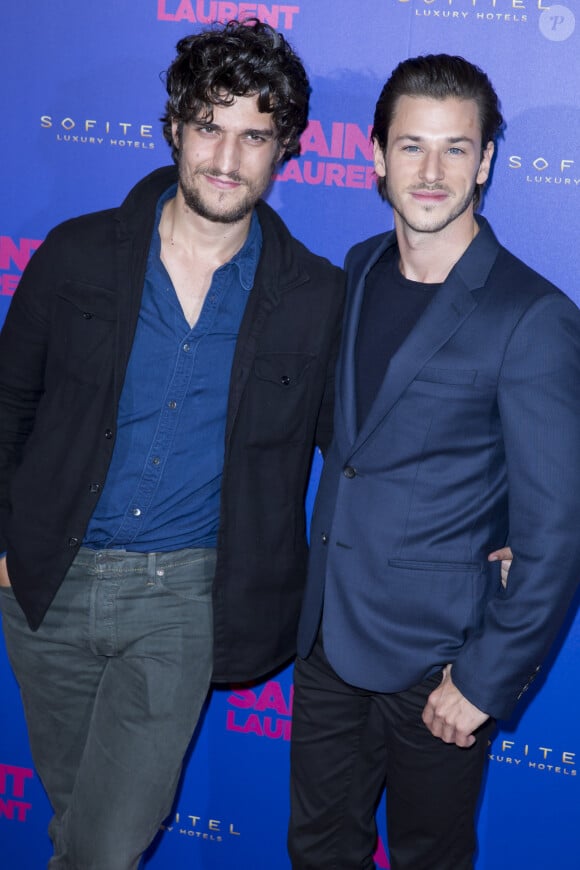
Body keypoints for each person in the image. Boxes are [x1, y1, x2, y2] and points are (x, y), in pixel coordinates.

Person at [0, 20, 344, 870]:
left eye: (253, 134)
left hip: (181, 598)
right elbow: (9, 402)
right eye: (208, 125)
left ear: (285, 150)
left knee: (107, 847)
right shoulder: (76, 254)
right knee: (77, 822)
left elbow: (361, 446)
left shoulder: (316, 298)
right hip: (45, 582)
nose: (227, 157)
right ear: (175, 129)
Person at [289, 54, 580, 870]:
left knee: (429, 859)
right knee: (315, 852)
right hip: (327, 645)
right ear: (375, 155)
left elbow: (556, 531)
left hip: (440, 668)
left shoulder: (534, 317)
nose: (431, 171)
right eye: (411, 146)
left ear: (486, 161)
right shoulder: (356, 269)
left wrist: (486, 678)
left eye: (457, 148)